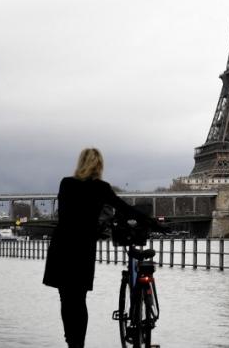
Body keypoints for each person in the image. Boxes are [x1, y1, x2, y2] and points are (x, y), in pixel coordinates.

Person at [43, 148, 159, 348]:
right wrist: (154, 223)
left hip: (62, 245)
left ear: (80, 163)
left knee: (66, 299)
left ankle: (72, 343)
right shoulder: (101, 188)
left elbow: (64, 215)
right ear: (99, 166)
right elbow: (125, 208)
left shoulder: (66, 183)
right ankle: (79, 343)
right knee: (80, 299)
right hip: (83, 247)